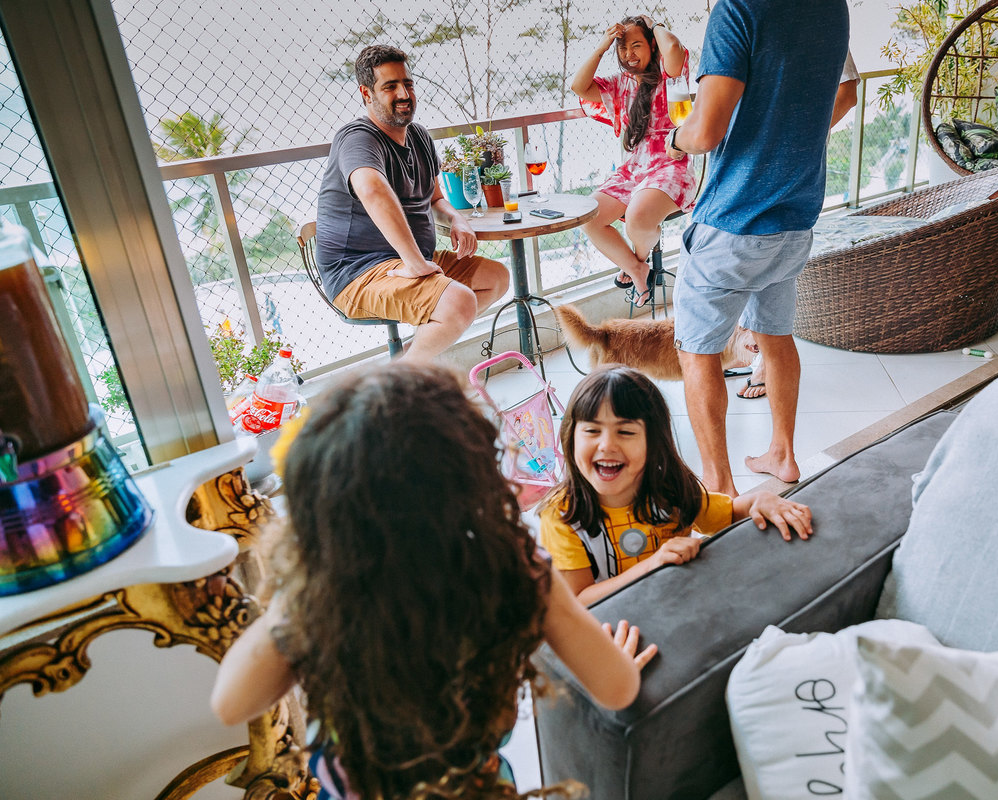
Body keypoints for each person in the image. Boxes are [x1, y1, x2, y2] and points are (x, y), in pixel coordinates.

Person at [210, 362, 656, 799]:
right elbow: (618, 689)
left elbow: (232, 704)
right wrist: (612, 659)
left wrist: (311, 575)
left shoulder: (321, 596)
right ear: (475, 477)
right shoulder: (517, 568)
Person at [665, 0, 850, 493]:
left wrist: (672, 140)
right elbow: (841, 94)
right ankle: (782, 455)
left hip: (735, 219)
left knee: (698, 351)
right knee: (775, 334)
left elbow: (704, 130)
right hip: (797, 214)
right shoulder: (831, 8)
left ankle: (719, 485)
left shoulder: (739, 10)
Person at [539, 365, 814, 604]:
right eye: (592, 431)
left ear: (654, 443)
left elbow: (727, 513)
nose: (607, 445)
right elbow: (581, 601)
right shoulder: (563, 514)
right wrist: (653, 565)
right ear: (571, 437)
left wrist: (759, 500)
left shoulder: (670, 489)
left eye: (625, 432)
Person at [316, 45, 510, 363]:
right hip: (360, 273)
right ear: (367, 94)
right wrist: (415, 263)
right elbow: (373, 190)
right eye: (390, 86)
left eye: (407, 83)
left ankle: (405, 363)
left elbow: (434, 196)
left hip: (415, 259)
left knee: (496, 278)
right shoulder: (357, 138)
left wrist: (456, 218)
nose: (404, 93)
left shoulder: (418, 135)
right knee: (458, 302)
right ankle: (405, 385)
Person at [737, 50, 861, 400]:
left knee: (773, 258)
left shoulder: (822, 18)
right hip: (752, 163)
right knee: (764, 260)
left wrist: (800, 142)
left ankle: (762, 355)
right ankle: (756, 347)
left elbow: (847, 92)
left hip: (785, 170)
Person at [571, 16, 695, 308]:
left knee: (638, 219)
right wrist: (603, 45)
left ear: (652, 45)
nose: (629, 54)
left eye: (637, 45)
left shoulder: (670, 72)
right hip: (632, 171)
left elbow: (674, 46)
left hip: (671, 164)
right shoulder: (619, 84)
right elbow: (578, 85)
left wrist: (655, 26)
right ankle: (640, 271)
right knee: (590, 217)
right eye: (623, 48)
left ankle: (635, 261)